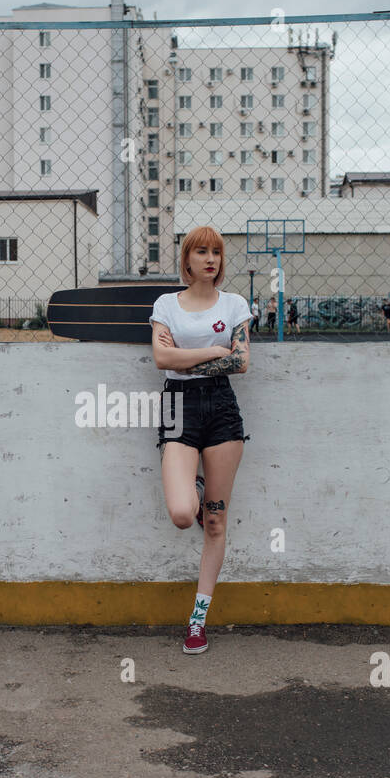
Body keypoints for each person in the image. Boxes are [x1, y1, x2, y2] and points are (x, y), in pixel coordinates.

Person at [149, 225, 252, 655]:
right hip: (177, 406)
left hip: (222, 411)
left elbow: (242, 361)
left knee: (214, 523)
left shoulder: (235, 304)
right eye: (200, 252)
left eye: (216, 252)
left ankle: (197, 622)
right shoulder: (165, 305)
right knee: (180, 513)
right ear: (186, 260)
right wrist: (213, 351)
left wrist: (185, 358)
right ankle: (191, 486)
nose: (210, 259)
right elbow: (160, 359)